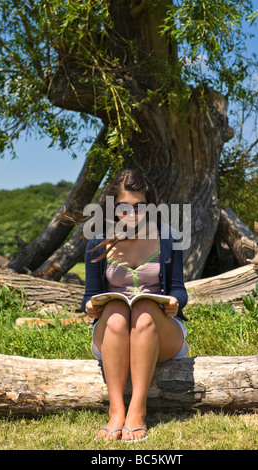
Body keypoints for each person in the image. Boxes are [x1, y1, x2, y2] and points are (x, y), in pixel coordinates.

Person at [81, 169, 188, 442]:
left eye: (141, 207)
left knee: (143, 310)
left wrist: (176, 302)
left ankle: (138, 410)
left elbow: (178, 289)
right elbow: (89, 295)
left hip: (159, 330)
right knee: (116, 313)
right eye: (124, 207)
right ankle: (116, 411)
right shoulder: (97, 241)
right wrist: (90, 307)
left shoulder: (169, 237)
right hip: (112, 333)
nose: (133, 214)